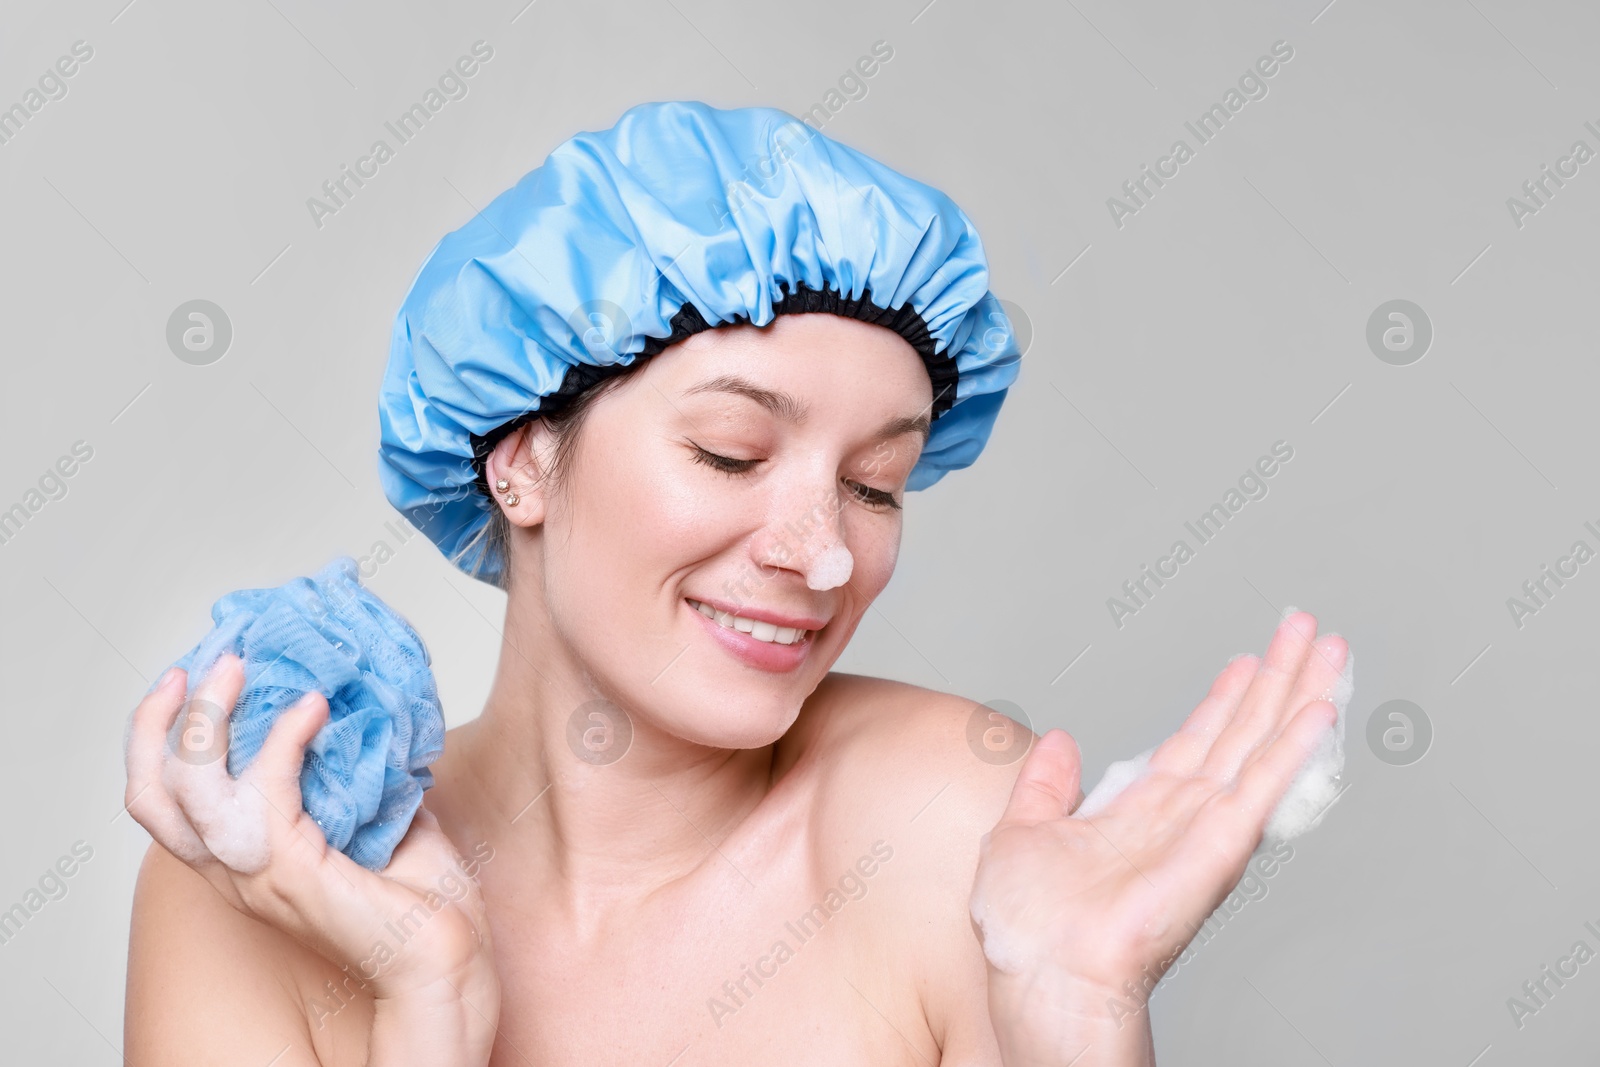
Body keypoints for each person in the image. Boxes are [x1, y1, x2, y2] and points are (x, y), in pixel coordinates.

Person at [123, 101, 1349, 1066]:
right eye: (730, 453)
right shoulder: (275, 872)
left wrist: (1074, 1024)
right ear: (520, 461)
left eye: (876, 483)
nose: (822, 553)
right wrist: (431, 1001)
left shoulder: (949, 823)